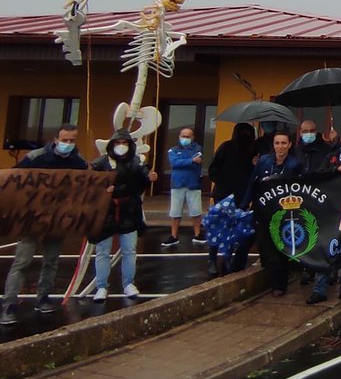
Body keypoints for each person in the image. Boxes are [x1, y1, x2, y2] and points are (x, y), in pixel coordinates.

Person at [2, 125, 89, 325]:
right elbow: (14, 179)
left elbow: (88, 183)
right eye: (65, 140)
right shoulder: (36, 157)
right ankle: (9, 305)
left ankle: (43, 298)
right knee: (22, 262)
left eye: (72, 140)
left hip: (57, 219)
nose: (68, 144)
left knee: (51, 261)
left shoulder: (78, 161)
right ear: (55, 139)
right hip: (32, 218)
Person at [88, 129, 155, 302]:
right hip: (106, 212)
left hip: (129, 210)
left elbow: (142, 181)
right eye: (118, 143)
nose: (121, 146)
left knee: (129, 250)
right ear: (111, 145)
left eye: (124, 143)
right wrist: (102, 190)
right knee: (102, 251)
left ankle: (128, 284)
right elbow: (89, 184)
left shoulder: (136, 162)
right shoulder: (100, 163)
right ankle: (101, 286)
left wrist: (149, 178)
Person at [244, 131, 304, 296]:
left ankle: (279, 285)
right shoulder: (264, 161)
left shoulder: (295, 164)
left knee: (280, 246)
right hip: (262, 210)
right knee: (264, 244)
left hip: (283, 212)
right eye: (277, 143)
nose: (280, 147)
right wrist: (244, 204)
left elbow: (300, 187)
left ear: (290, 145)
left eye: (284, 143)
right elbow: (252, 182)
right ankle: (268, 276)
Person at [307, 129, 341, 305]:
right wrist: (336, 170)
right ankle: (319, 289)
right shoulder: (331, 157)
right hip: (330, 211)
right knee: (326, 248)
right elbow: (319, 176)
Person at [207, 122, 257, 276]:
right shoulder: (226, 147)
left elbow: (254, 174)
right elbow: (213, 170)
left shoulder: (253, 151)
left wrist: (255, 164)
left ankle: (228, 258)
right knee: (219, 227)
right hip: (223, 195)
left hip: (242, 197)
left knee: (237, 230)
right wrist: (224, 183)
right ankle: (212, 259)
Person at [163, 127, 205, 247]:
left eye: (188, 136)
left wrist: (184, 161)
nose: (185, 138)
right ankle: (174, 236)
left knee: (196, 211)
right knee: (175, 212)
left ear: (193, 137)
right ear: (179, 136)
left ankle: (197, 234)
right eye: (183, 136)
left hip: (193, 184)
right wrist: (191, 160)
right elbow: (174, 163)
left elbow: (197, 160)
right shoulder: (173, 150)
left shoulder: (197, 148)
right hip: (177, 184)